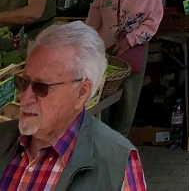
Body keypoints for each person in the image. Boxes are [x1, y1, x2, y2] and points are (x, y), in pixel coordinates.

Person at [0, 21, 146, 190]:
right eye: (23, 82)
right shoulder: (3, 138)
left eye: (42, 87)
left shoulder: (117, 163)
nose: (24, 98)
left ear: (82, 92)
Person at [86, 0, 163, 137]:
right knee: (101, 97)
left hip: (131, 51)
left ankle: (120, 141)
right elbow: (97, 10)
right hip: (104, 49)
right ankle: (101, 137)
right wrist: (90, 38)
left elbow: (153, 21)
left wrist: (129, 40)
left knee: (127, 100)